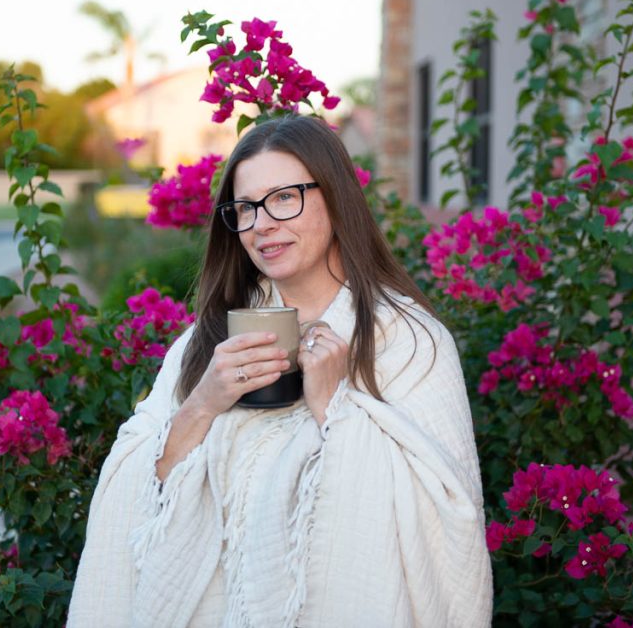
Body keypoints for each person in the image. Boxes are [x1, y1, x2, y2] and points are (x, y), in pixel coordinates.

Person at [68, 115, 492, 627]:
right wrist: (203, 402)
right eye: (245, 208)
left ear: (334, 198)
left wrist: (336, 408)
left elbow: (450, 521)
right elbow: (133, 488)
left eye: (284, 197)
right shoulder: (206, 343)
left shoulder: (407, 341)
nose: (262, 224)